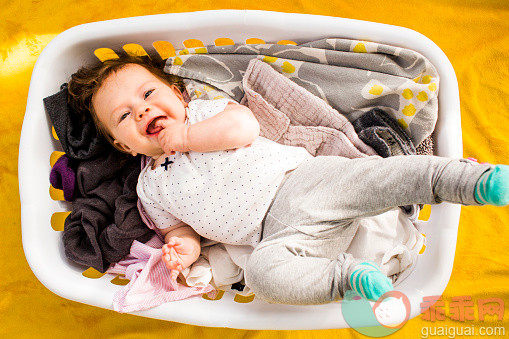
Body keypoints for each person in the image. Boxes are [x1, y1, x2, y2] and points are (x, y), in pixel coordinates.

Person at [67, 55, 509, 305]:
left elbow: (243, 130)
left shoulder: (205, 113)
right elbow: (178, 228)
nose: (142, 110)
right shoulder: (150, 188)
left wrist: (185, 135)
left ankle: (467, 181)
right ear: (124, 147)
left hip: (304, 183)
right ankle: (348, 278)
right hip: (278, 235)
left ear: (179, 96)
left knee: (381, 179)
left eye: (148, 95)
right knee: (262, 275)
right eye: (124, 116)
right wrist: (184, 248)